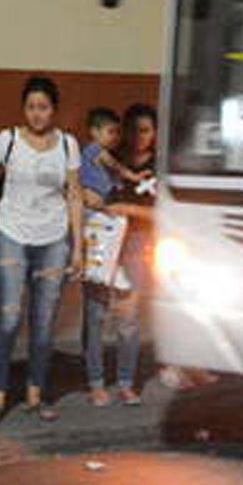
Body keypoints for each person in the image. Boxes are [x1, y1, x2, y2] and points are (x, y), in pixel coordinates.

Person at [0, 76, 85, 424]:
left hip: (54, 239)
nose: (37, 114)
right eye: (31, 107)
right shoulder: (9, 140)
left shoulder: (68, 145)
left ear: (54, 110)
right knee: (10, 316)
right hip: (11, 234)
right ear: (23, 109)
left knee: (44, 322)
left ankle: (36, 394)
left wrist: (78, 248)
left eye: (43, 107)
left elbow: (74, 194)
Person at [83, 104, 157, 407]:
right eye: (132, 130)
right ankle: (96, 383)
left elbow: (163, 212)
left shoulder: (158, 167)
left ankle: (126, 382)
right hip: (102, 237)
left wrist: (126, 209)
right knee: (96, 314)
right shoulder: (107, 159)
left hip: (136, 242)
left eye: (147, 130)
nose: (140, 137)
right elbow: (80, 190)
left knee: (128, 320)